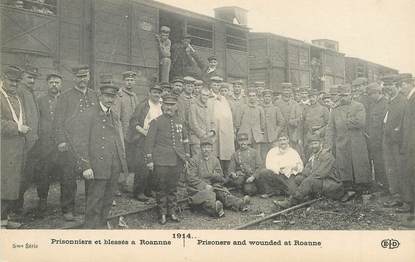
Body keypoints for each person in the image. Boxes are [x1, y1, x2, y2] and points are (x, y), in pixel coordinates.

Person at [74, 84, 128, 229]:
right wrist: (85, 166)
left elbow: (118, 141)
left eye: (113, 97)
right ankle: (91, 230)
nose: (110, 99)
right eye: (107, 96)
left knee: (108, 200)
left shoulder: (114, 115)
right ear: (100, 96)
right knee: (94, 201)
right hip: (96, 166)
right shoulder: (89, 114)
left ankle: (101, 226)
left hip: (113, 166)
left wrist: (121, 165)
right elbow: (81, 142)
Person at [54, 65, 98, 221]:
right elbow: (58, 121)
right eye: (79, 77)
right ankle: (67, 209)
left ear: (89, 77)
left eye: (85, 76)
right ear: (74, 78)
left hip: (90, 143)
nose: (82, 80)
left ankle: (91, 207)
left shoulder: (94, 95)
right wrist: (61, 140)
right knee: (68, 178)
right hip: (70, 143)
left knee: (91, 176)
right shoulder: (65, 97)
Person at [144, 94, 190, 225]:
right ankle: (162, 214)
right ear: (163, 106)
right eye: (167, 104)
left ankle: (172, 212)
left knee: (173, 188)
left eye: (172, 105)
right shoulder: (156, 122)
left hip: (177, 160)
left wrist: (186, 156)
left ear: (176, 107)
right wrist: (149, 160)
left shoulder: (180, 121)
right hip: (161, 161)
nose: (169, 107)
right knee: (161, 188)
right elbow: (148, 143)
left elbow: (185, 140)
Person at [325, 84, 372, 202]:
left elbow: (360, 122)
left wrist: (345, 121)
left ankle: (361, 191)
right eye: (341, 95)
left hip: (357, 143)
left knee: (359, 166)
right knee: (344, 166)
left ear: (350, 94)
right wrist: (328, 144)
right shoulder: (335, 110)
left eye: (345, 95)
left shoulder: (359, 106)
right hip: (341, 142)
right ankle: (349, 190)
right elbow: (331, 128)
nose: (343, 98)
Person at [185, 137, 250, 217]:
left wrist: (215, 176)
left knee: (223, 192)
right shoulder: (194, 160)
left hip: (213, 186)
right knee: (209, 196)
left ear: (211, 148)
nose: (206, 149)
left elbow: (220, 176)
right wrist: (204, 185)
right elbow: (191, 178)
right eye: (204, 147)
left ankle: (240, 204)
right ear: (200, 148)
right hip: (198, 189)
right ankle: (215, 209)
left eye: (208, 147)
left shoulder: (215, 160)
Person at [275, 135, 344, 208]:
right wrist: (307, 175)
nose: (313, 146)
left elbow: (320, 174)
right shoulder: (313, 155)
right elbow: (305, 171)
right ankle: (302, 197)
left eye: (315, 143)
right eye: (312, 144)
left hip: (331, 184)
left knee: (308, 181)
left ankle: (290, 202)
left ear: (321, 144)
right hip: (321, 182)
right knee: (298, 178)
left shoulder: (327, 156)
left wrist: (308, 176)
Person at [1, 66, 30, 229]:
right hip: (3, 149)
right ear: (4, 78)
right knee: (3, 184)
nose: (14, 84)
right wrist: (17, 128)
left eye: (17, 81)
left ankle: (4, 219)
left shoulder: (17, 97)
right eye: (11, 80)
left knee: (12, 185)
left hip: (18, 149)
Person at [35, 72, 64, 215]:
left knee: (66, 173)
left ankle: (66, 203)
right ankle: (42, 200)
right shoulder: (40, 100)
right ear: (47, 84)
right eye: (51, 82)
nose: (54, 85)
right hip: (45, 143)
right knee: (44, 173)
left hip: (63, 143)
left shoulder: (65, 100)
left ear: (61, 84)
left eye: (57, 82)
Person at [129, 84, 163, 201]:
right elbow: (134, 122)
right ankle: (138, 191)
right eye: (154, 92)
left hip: (157, 139)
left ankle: (149, 190)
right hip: (143, 138)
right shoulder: (143, 106)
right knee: (142, 166)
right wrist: (143, 132)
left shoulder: (161, 106)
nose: (157, 95)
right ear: (149, 93)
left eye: (159, 93)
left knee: (153, 165)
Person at [15, 65, 41, 213]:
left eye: (34, 78)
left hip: (32, 140)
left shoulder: (30, 92)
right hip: (24, 141)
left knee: (26, 175)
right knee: (21, 175)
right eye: (29, 78)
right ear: (22, 79)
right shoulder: (20, 92)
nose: (32, 80)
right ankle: (14, 207)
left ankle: (17, 205)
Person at [246, 133, 304, 198]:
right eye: (280, 140)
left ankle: (279, 191)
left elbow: (300, 166)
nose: (282, 142)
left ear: (288, 140)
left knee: (291, 192)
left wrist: (294, 168)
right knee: (264, 172)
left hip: (289, 176)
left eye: (284, 140)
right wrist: (278, 169)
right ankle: (271, 191)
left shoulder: (293, 152)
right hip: (277, 174)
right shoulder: (273, 151)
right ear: (278, 142)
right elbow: (269, 164)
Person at [381, 81, 408, 209]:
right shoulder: (389, 100)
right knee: (390, 168)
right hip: (388, 140)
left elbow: (404, 123)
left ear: (397, 86)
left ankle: (404, 198)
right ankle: (396, 196)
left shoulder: (403, 101)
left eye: (390, 87)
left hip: (397, 142)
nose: (388, 90)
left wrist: (396, 136)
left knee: (399, 169)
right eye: (386, 87)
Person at [112, 71, 139, 194]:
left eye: (132, 80)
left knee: (129, 159)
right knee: (120, 159)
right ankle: (116, 185)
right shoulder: (119, 95)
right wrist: (119, 134)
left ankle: (125, 183)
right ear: (123, 81)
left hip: (133, 134)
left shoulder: (134, 96)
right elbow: (116, 116)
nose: (129, 82)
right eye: (127, 80)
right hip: (123, 132)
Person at [207, 76, 235, 175]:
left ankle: (225, 175)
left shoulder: (223, 98)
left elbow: (228, 116)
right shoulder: (208, 98)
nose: (216, 86)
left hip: (224, 130)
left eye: (218, 85)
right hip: (213, 130)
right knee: (214, 152)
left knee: (224, 152)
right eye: (214, 84)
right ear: (210, 85)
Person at [399, 76, 415, 228]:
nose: (401, 87)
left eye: (403, 84)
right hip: (409, 145)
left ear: (411, 84)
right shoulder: (409, 99)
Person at [366, 82, 388, 192]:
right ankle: (380, 184)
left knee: (383, 163)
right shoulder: (373, 104)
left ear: (377, 93)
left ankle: (386, 186)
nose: (369, 97)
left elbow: (385, 124)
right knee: (377, 162)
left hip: (382, 140)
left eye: (371, 94)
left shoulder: (385, 103)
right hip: (373, 139)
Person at [301, 89, 329, 160]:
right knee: (308, 158)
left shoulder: (324, 109)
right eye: (310, 97)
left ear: (317, 97)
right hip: (308, 139)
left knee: (319, 157)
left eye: (313, 97)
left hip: (320, 138)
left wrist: (320, 131)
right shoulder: (306, 109)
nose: (311, 99)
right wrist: (302, 138)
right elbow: (302, 124)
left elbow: (329, 125)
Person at [188, 86, 216, 157]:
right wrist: (203, 134)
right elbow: (193, 124)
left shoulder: (209, 106)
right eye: (203, 95)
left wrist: (212, 131)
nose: (205, 97)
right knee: (197, 160)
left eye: (207, 95)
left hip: (207, 139)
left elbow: (213, 121)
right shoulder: (193, 105)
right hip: (197, 139)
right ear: (199, 95)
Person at [276, 83, 302, 153]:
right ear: (282, 91)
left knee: (294, 151)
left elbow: (299, 119)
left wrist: (293, 121)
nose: (287, 92)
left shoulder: (295, 104)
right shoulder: (277, 103)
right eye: (285, 90)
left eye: (288, 90)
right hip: (280, 133)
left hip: (292, 132)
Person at [237, 88, 265, 152]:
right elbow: (237, 122)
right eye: (250, 96)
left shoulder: (260, 108)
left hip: (256, 136)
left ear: (256, 97)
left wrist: (259, 132)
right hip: (245, 135)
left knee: (257, 153)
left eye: (253, 96)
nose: (252, 97)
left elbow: (263, 124)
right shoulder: (243, 107)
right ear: (247, 97)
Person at [261, 89, 285, 161]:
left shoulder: (275, 109)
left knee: (274, 156)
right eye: (265, 96)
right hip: (262, 138)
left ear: (271, 98)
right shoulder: (259, 108)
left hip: (273, 138)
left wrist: (276, 132)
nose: (267, 98)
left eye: (269, 96)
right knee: (263, 157)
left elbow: (281, 122)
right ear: (263, 98)